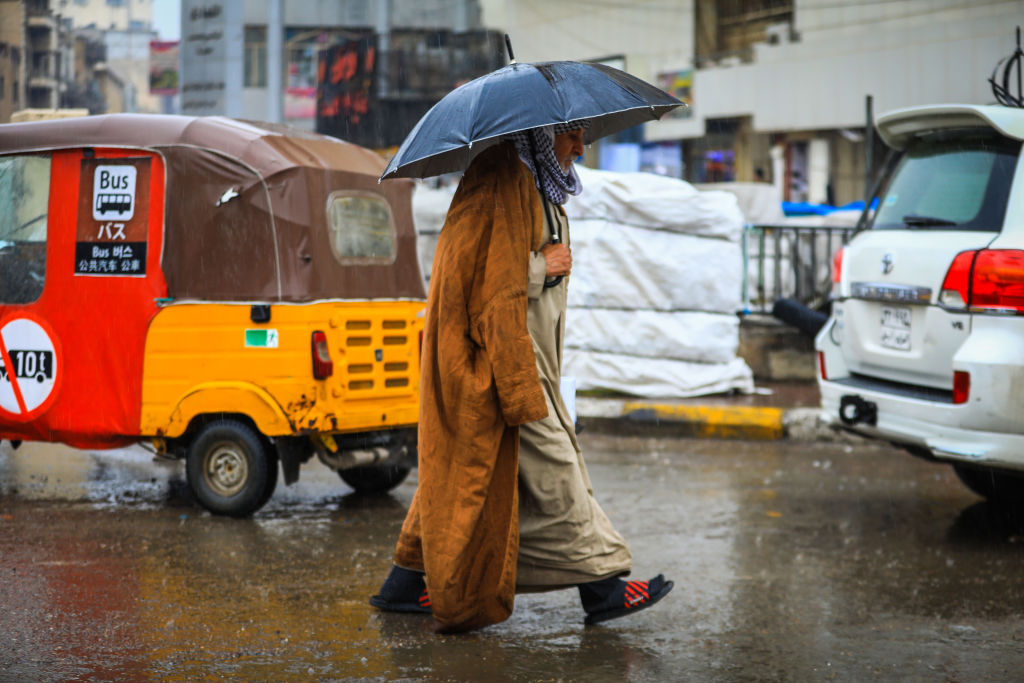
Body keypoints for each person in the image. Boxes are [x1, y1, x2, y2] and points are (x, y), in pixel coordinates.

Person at [369, 121, 673, 633]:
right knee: (558, 475)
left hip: (534, 363)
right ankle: (603, 588)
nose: (582, 146)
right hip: (505, 367)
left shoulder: (535, 182)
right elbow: (466, 275)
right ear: (540, 134)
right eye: (571, 134)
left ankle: (405, 583)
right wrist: (541, 267)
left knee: (461, 477)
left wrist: (541, 266)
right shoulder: (499, 177)